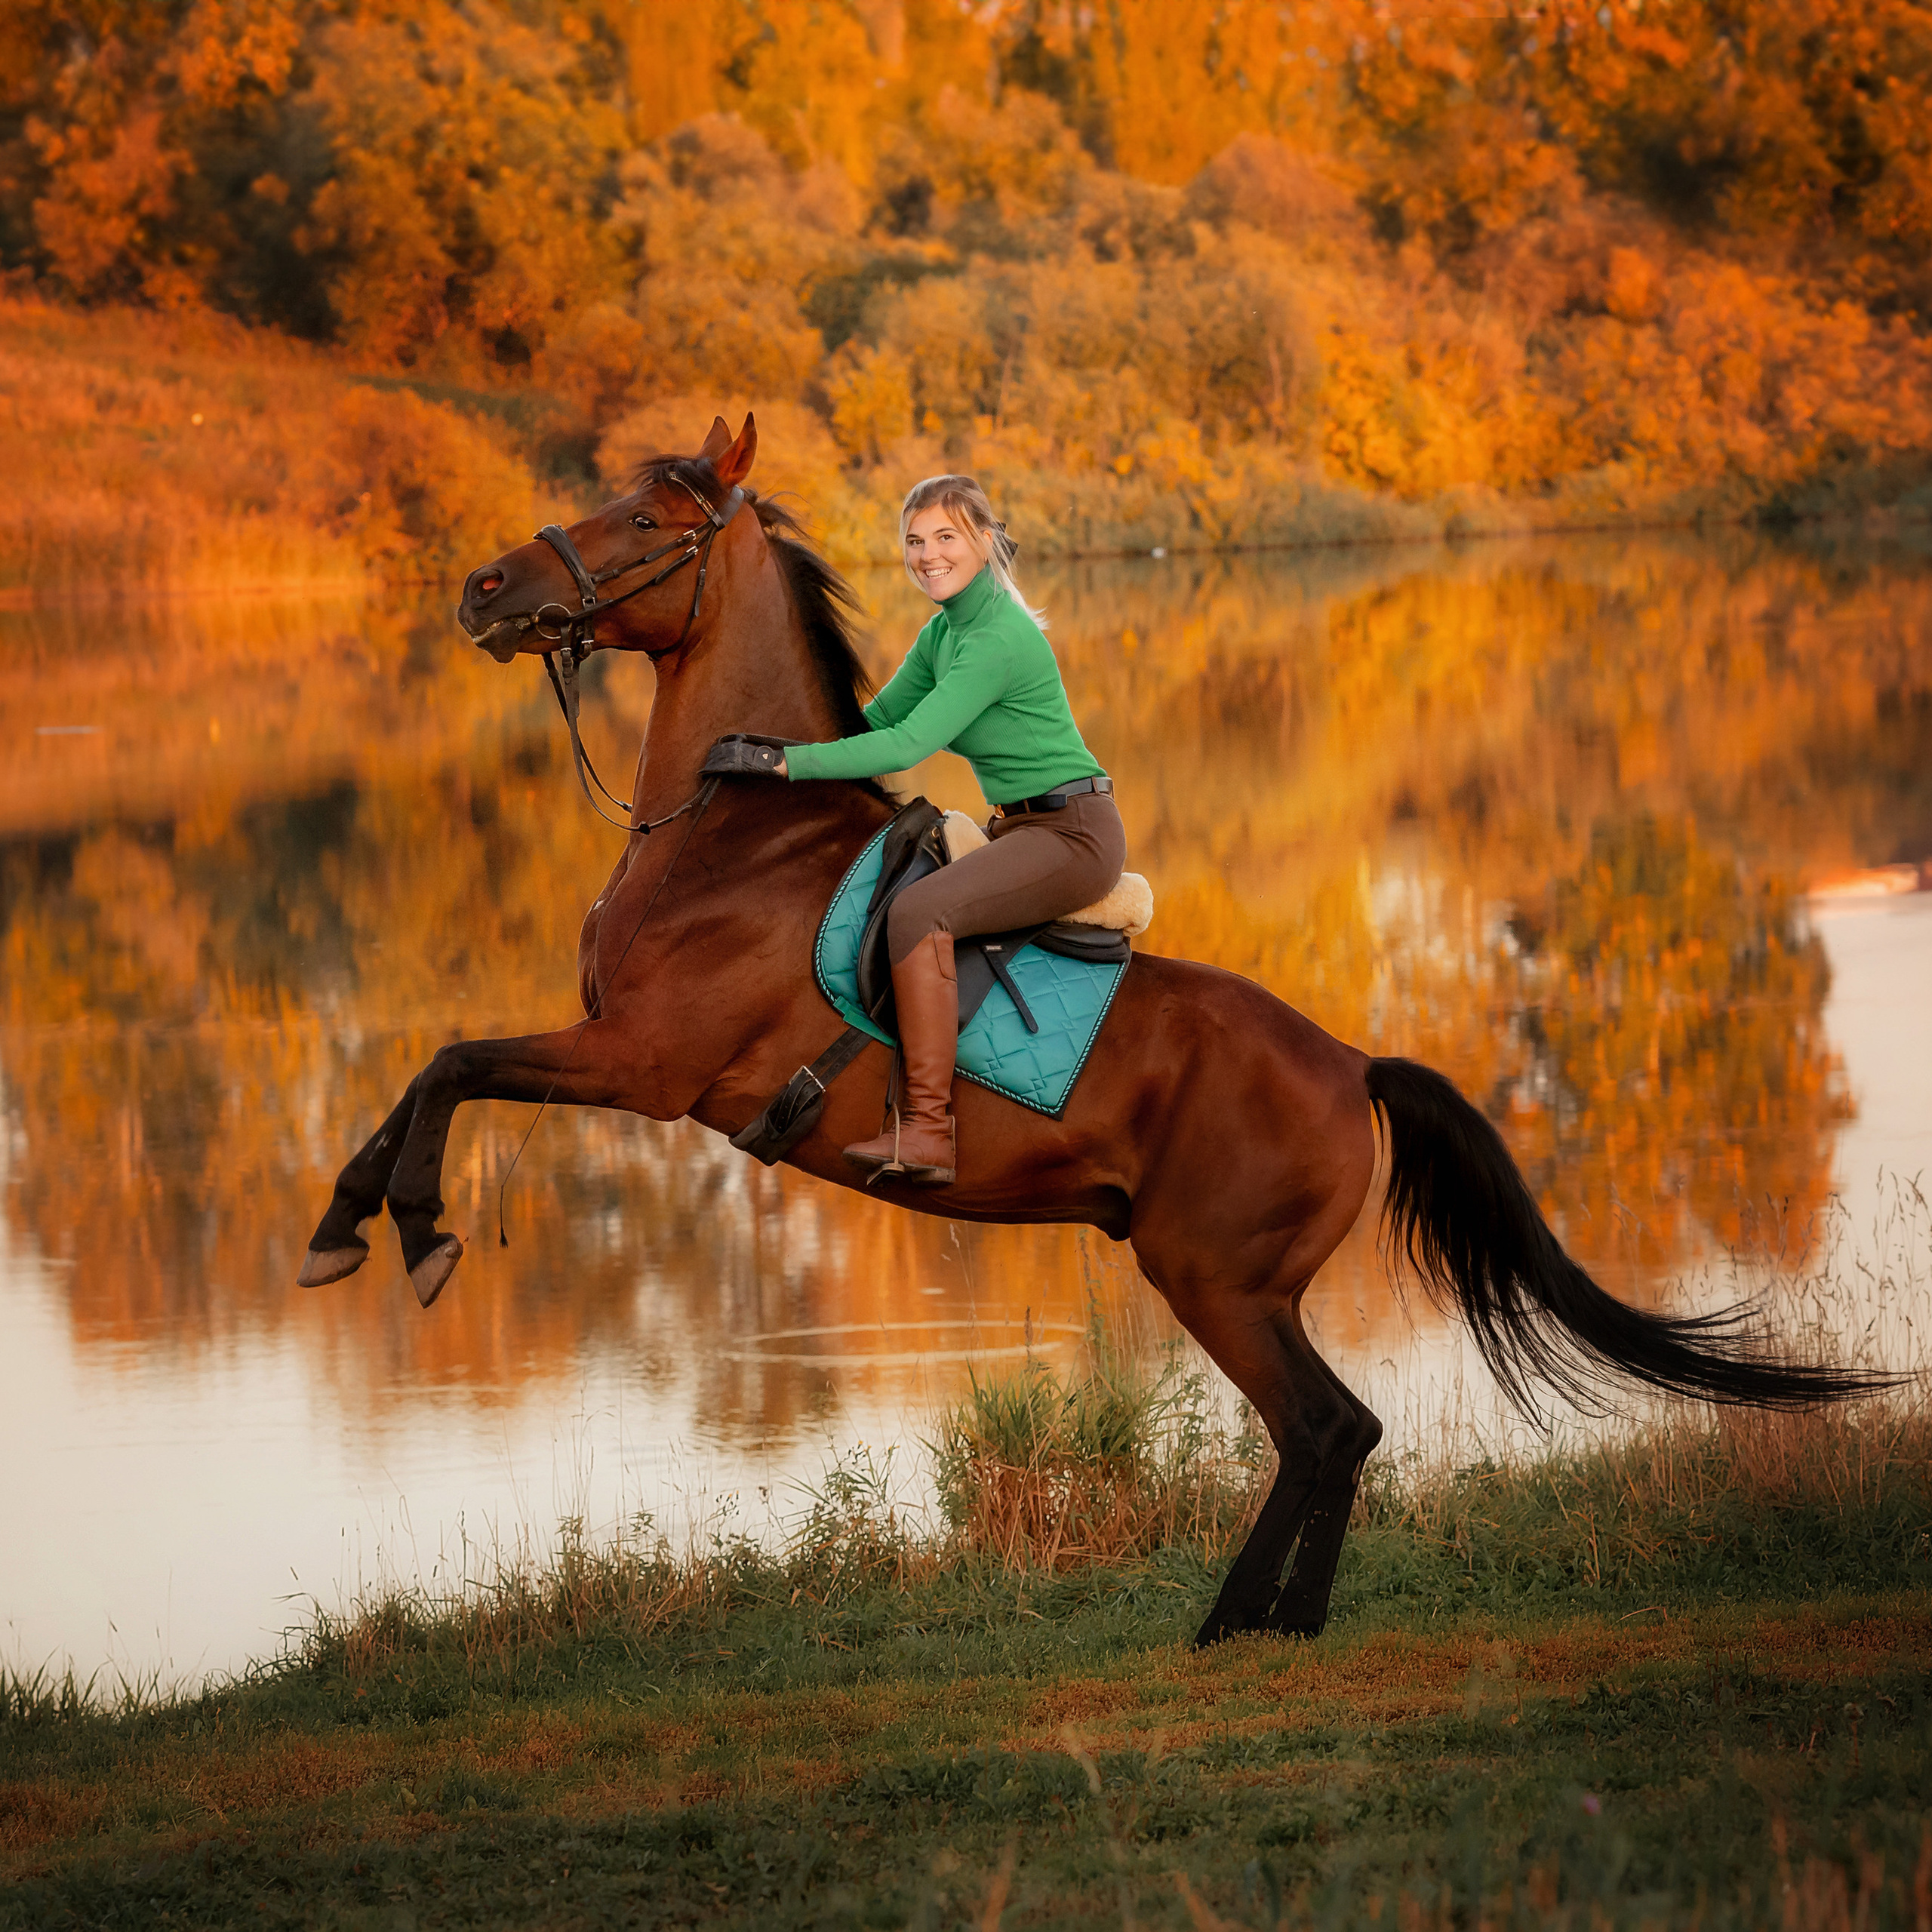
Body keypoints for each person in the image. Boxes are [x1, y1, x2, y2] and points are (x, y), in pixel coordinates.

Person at [776, 475, 1124, 1184]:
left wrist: (787, 763)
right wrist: (772, 745)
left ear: (985, 542)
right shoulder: (945, 631)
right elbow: (873, 726)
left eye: (946, 538)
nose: (927, 555)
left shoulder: (996, 636)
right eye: (915, 541)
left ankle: (929, 1131)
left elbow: (907, 748)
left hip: (1073, 836)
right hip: (1022, 829)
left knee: (919, 911)